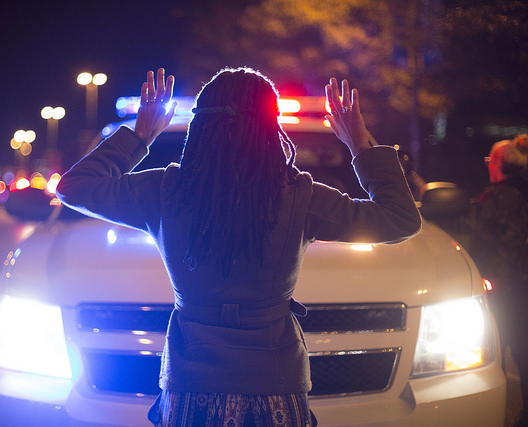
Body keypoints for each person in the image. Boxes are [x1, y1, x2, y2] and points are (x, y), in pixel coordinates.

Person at [57, 67, 421, 426]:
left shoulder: (166, 191)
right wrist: (358, 143)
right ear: (270, 128)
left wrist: (140, 135)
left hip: (191, 386)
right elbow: (400, 219)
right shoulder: (299, 196)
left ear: (200, 127)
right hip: (275, 384)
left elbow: (74, 187)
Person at [470, 138, 528, 427]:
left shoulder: (493, 200)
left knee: (495, 356)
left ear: (498, 164)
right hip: (522, 287)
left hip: (502, 290)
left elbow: (476, 243)